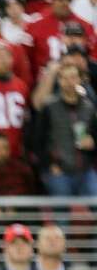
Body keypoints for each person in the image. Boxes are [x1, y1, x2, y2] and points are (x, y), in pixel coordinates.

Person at [33, 63, 97, 197]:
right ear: (59, 80)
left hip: (85, 170)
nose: (69, 82)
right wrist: (49, 165)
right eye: (64, 78)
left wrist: (93, 142)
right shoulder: (49, 107)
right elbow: (37, 140)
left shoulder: (89, 107)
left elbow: (94, 135)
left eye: (73, 77)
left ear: (80, 79)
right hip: (58, 171)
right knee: (61, 214)